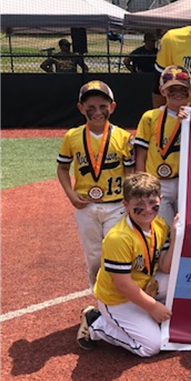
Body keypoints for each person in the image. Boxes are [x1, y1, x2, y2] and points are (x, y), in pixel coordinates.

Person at [77, 171, 177, 357]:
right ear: (126, 205)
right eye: (139, 205)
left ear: (160, 199)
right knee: (151, 347)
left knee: (178, 280)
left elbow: (165, 267)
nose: (147, 209)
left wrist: (175, 237)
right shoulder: (119, 238)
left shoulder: (160, 225)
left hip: (142, 286)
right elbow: (122, 285)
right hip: (117, 299)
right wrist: (153, 307)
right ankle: (96, 324)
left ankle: (142, 315)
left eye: (152, 203)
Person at [56, 80, 134, 287]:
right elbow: (62, 168)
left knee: (115, 251)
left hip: (116, 204)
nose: (97, 112)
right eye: (90, 108)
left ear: (113, 107)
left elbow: (129, 170)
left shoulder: (123, 137)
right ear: (81, 108)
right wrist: (71, 195)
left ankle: (117, 295)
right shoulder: (72, 136)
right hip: (86, 205)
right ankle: (98, 298)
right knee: (93, 255)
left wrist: (129, 197)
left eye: (103, 107)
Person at [133, 66, 191, 229]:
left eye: (182, 88)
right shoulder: (150, 117)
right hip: (157, 182)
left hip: (184, 181)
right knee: (161, 229)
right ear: (162, 91)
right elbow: (141, 154)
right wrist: (141, 181)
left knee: (183, 228)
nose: (177, 93)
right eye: (171, 89)